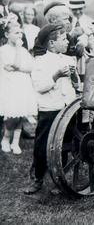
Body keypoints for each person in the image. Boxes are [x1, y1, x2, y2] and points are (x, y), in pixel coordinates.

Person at [24, 24, 78, 194]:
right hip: (50, 109)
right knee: (42, 146)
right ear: (52, 44)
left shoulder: (68, 59)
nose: (67, 41)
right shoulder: (39, 62)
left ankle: (58, 178)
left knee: (62, 145)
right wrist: (56, 76)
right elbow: (40, 86)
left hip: (67, 108)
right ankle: (37, 179)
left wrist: (74, 76)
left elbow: (75, 85)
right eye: (63, 39)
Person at [0, 21, 37, 154]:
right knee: (12, 115)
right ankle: (5, 138)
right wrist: (17, 51)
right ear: (7, 34)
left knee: (21, 113)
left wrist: (19, 68)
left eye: (21, 32)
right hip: (10, 86)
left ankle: (15, 142)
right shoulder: (3, 50)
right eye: (16, 33)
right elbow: (12, 65)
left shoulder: (23, 50)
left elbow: (30, 68)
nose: (19, 35)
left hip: (23, 84)